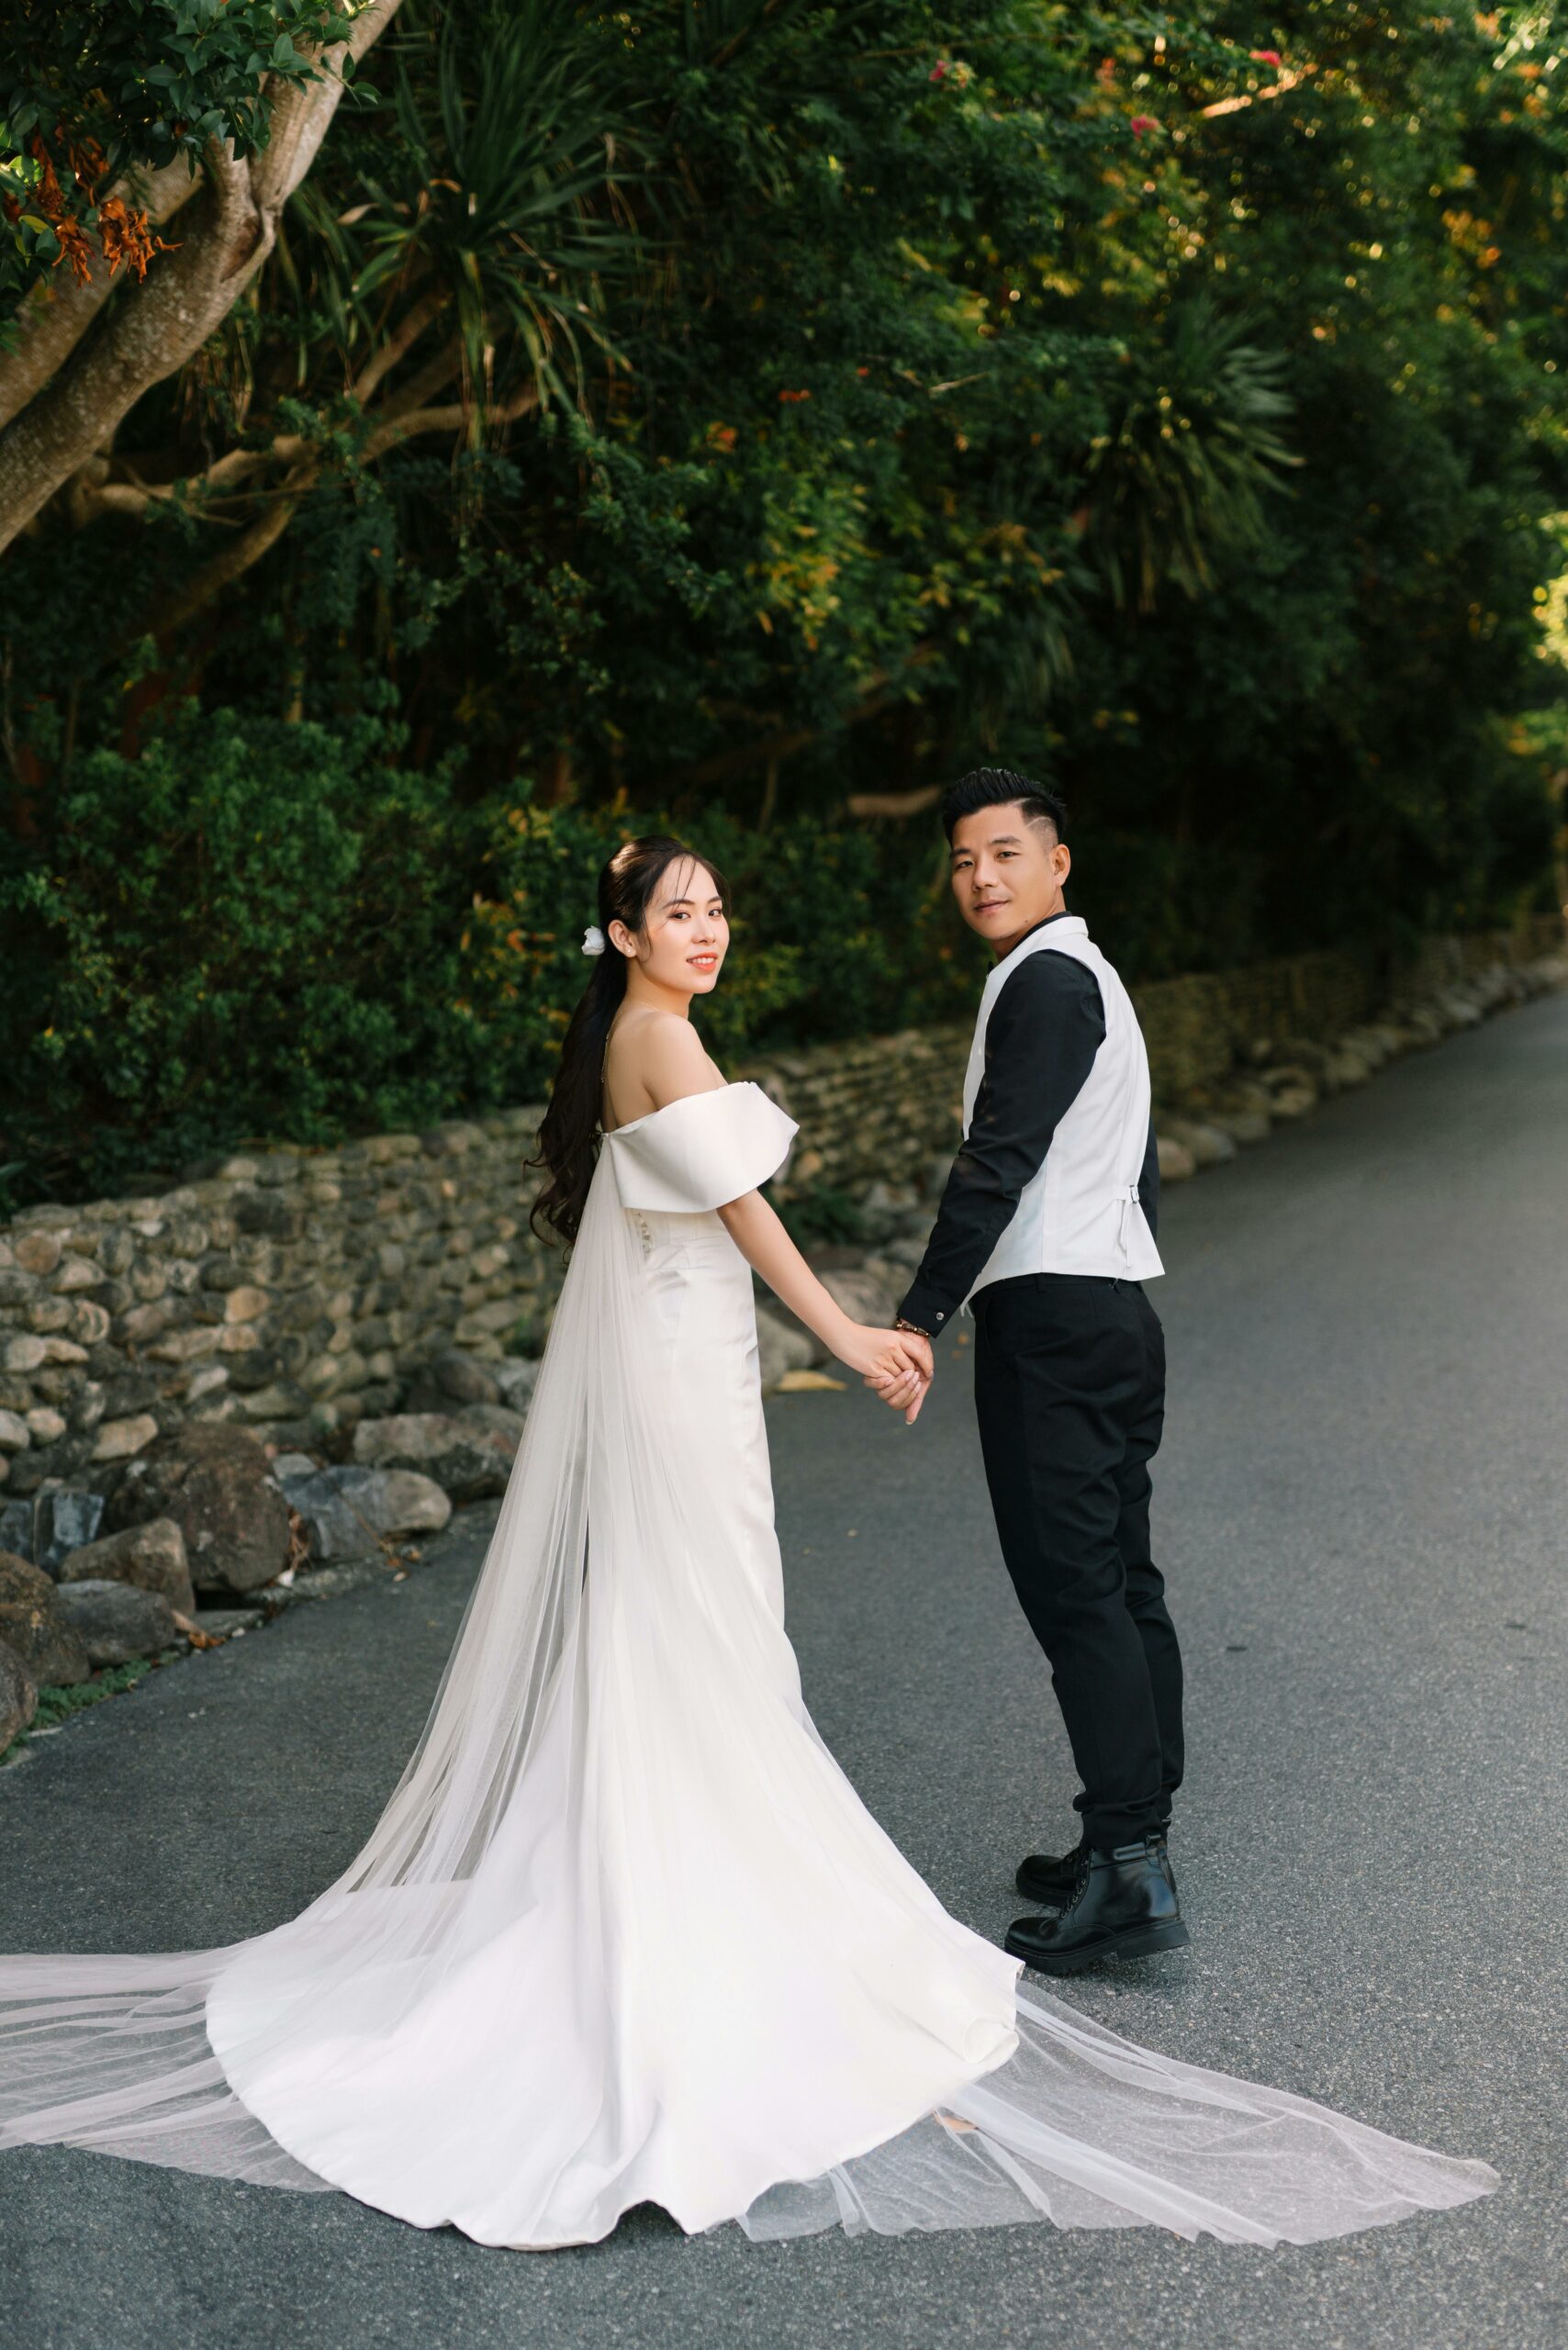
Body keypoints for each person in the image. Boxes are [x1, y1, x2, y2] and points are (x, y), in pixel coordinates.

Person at [0, 835, 1495, 2250]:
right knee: (696, 1614)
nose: (707, 932)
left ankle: (726, 1865)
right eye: (680, 913)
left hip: (691, 1357)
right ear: (628, 938)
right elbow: (743, 1210)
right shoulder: (655, 1038)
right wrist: (854, 1333)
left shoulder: (654, 1031)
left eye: (717, 910)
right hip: (676, 1368)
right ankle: (683, 1913)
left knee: (701, 1614)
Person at [887, 767, 1185, 1974]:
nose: (981, 877)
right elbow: (1135, 1163)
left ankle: (1129, 1866)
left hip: (1055, 1323)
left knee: (1078, 1591)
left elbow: (998, 1158)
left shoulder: (1048, 984)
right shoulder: (1084, 974)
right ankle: (1132, 1832)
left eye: (1006, 853)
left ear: (1060, 861)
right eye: (963, 860)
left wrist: (920, 1312)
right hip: (1107, 1308)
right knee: (1118, 1576)